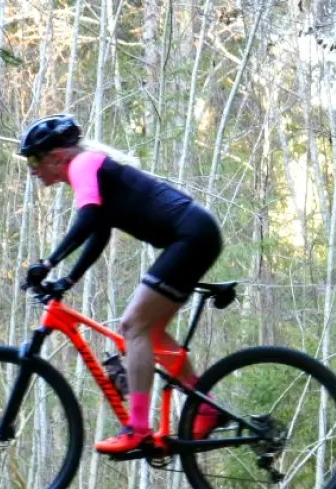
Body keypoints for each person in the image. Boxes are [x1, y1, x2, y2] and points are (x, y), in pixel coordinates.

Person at [17, 114, 224, 454]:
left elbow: (86, 219)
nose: (32, 168)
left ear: (57, 155)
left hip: (191, 236)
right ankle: (206, 405)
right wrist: (66, 279)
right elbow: (98, 232)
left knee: (133, 326)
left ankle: (138, 429)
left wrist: (48, 262)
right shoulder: (91, 172)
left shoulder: (83, 163)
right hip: (195, 235)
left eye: (36, 159)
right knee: (150, 334)